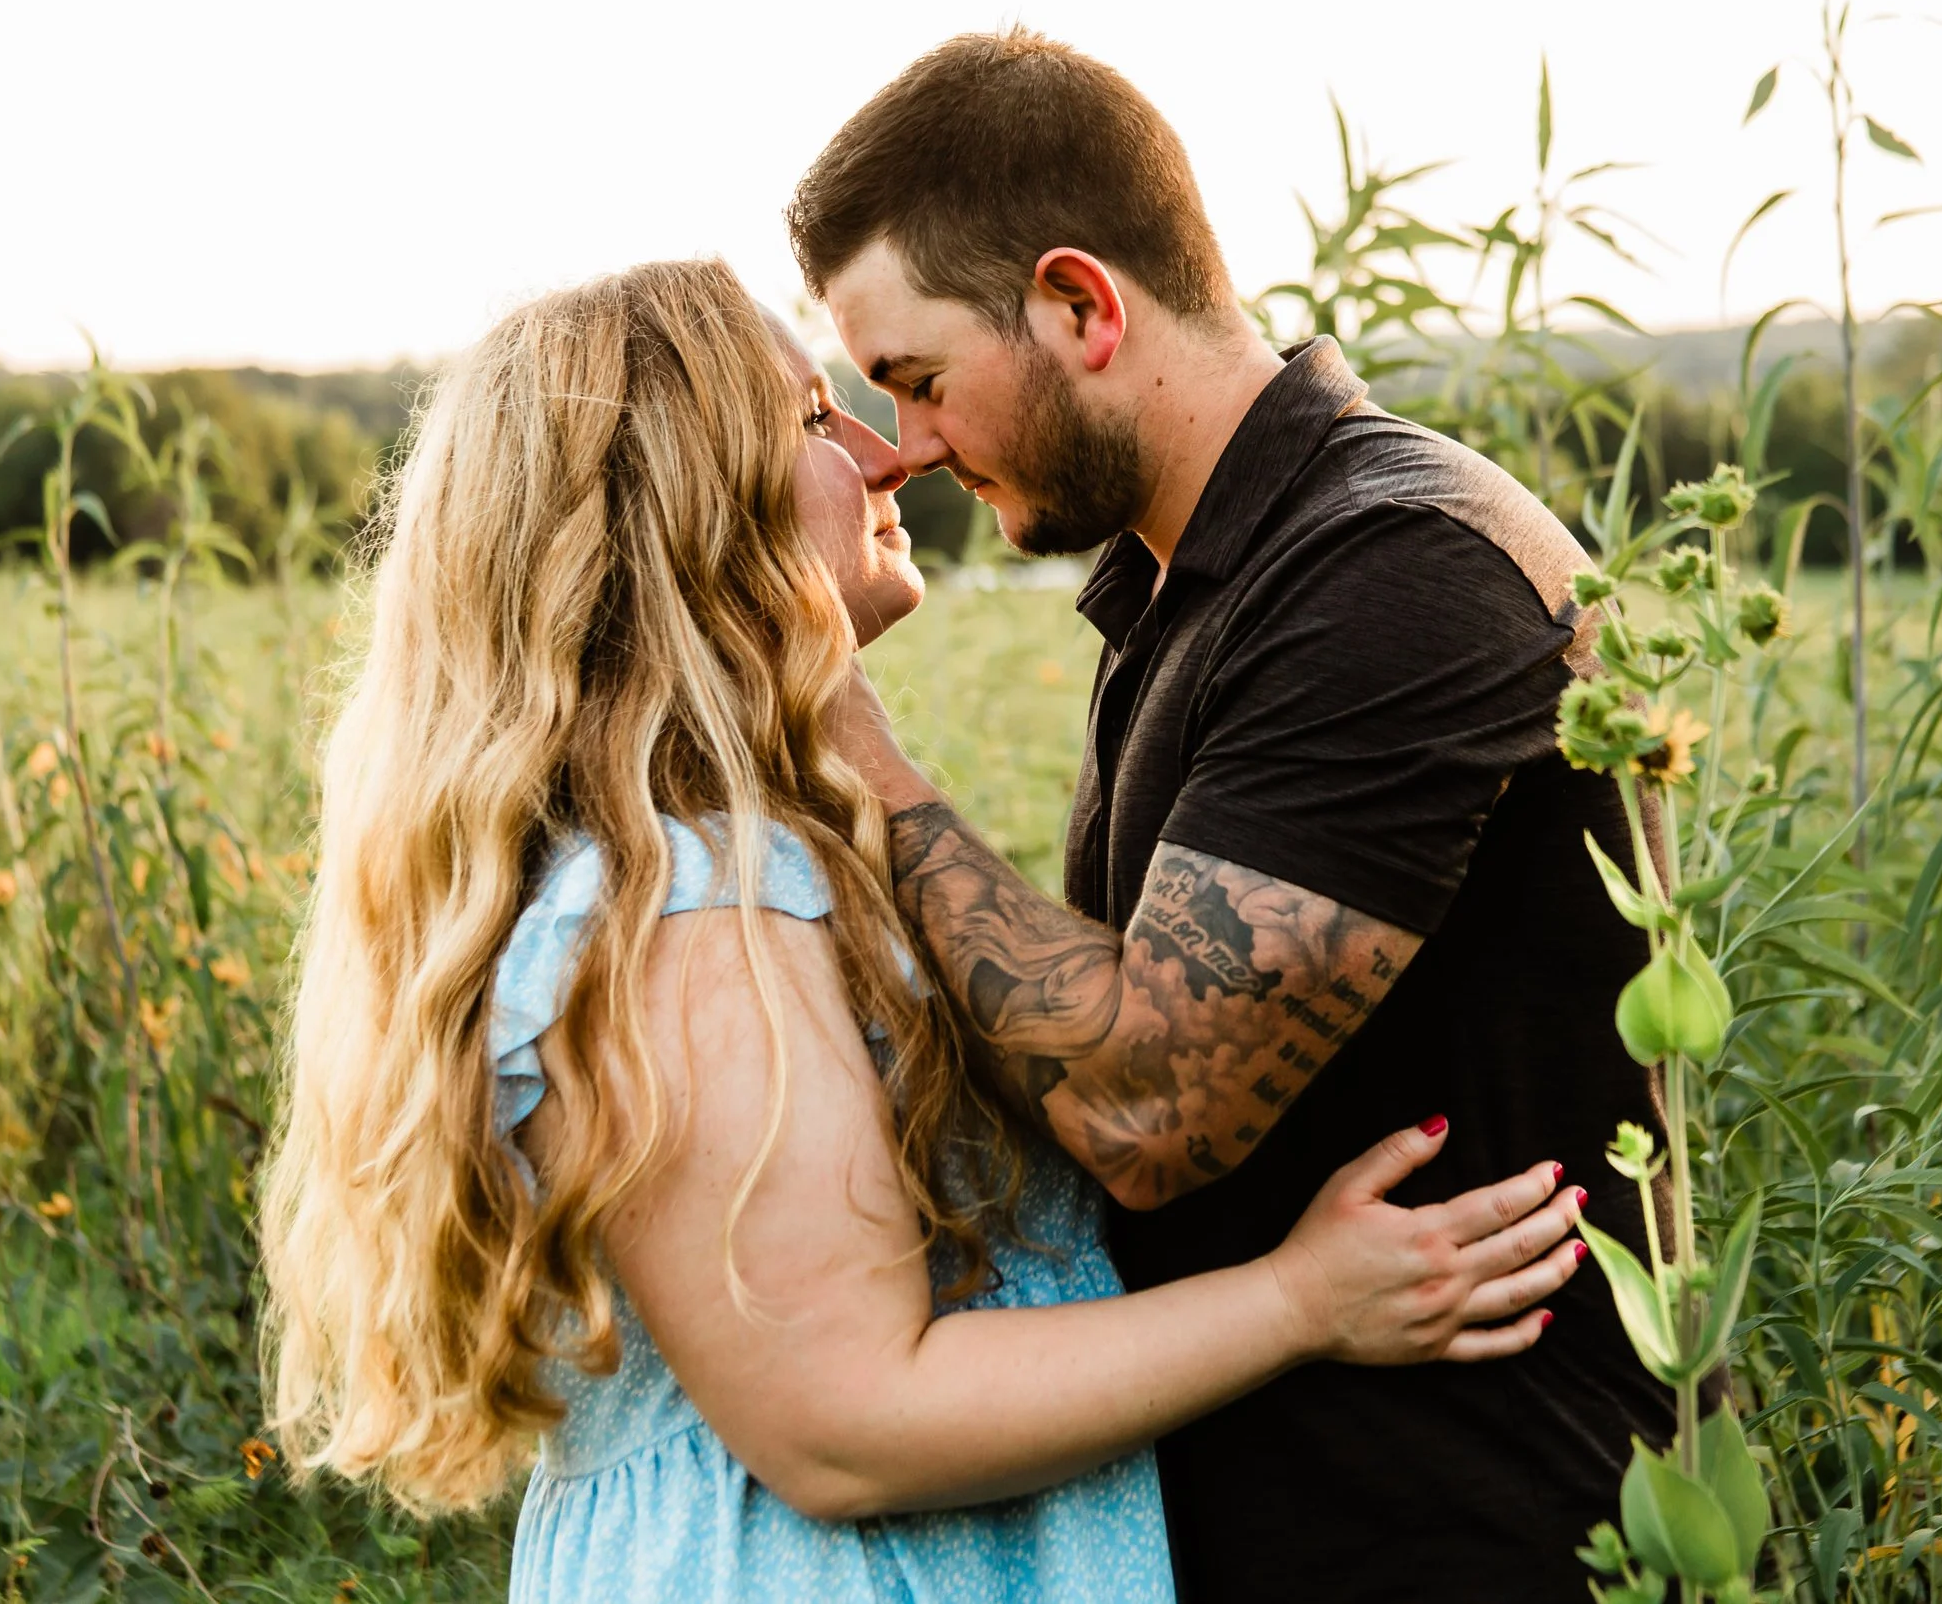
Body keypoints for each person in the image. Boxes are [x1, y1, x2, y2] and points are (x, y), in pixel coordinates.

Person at [257, 258, 1588, 1603]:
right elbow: (846, 1423)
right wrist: (1303, 1303)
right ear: (689, 507)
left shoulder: (728, 856)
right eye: (815, 422)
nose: (888, 459)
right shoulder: (699, 900)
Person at [789, 31, 1680, 1601]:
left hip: (1485, 1526)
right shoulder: (1199, 586)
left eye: (922, 381)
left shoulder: (1393, 573)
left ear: (1080, 303)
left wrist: (834, 720)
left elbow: (1146, 1108)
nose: (907, 446)